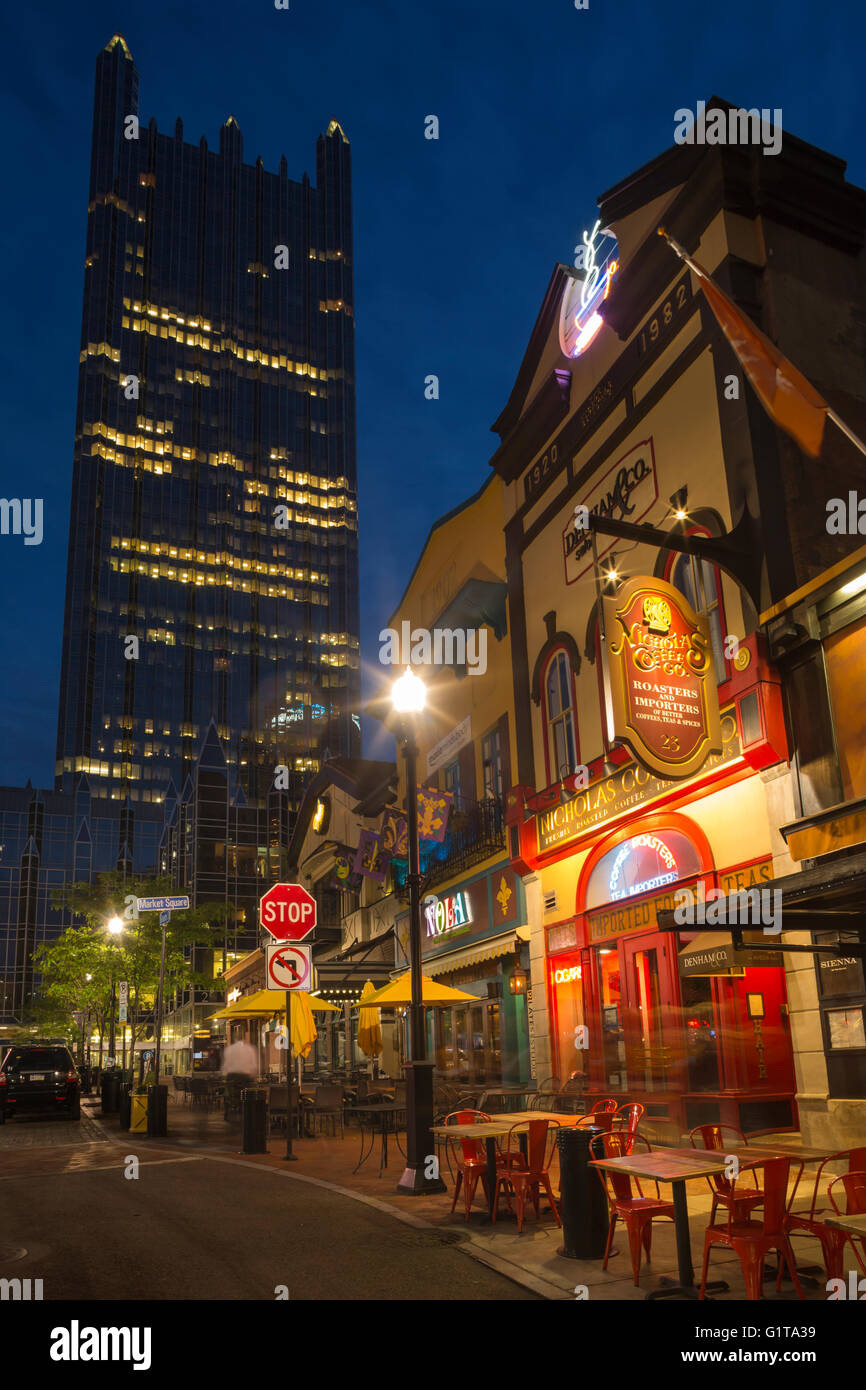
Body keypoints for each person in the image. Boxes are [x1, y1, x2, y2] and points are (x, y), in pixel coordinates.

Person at [222, 1038, 258, 1119]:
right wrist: (253, 1076)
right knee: (247, 1095)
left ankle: (228, 1110)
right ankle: (246, 1111)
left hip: (232, 1077)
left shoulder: (229, 1050)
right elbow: (254, 1067)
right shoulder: (250, 1049)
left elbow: (225, 1066)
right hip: (245, 1078)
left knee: (229, 1095)